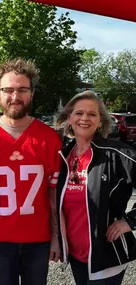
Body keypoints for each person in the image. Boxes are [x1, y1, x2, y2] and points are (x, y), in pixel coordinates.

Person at [0, 58, 62, 285]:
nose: (15, 96)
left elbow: (53, 197)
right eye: (8, 90)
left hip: (38, 239)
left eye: (22, 89)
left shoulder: (49, 139)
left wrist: (57, 238)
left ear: (32, 93)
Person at [54, 90, 136, 285]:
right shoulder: (62, 156)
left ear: (101, 121)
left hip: (106, 255)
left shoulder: (117, 153)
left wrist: (129, 221)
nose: (85, 118)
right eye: (79, 113)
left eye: (92, 114)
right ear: (69, 118)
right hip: (75, 254)